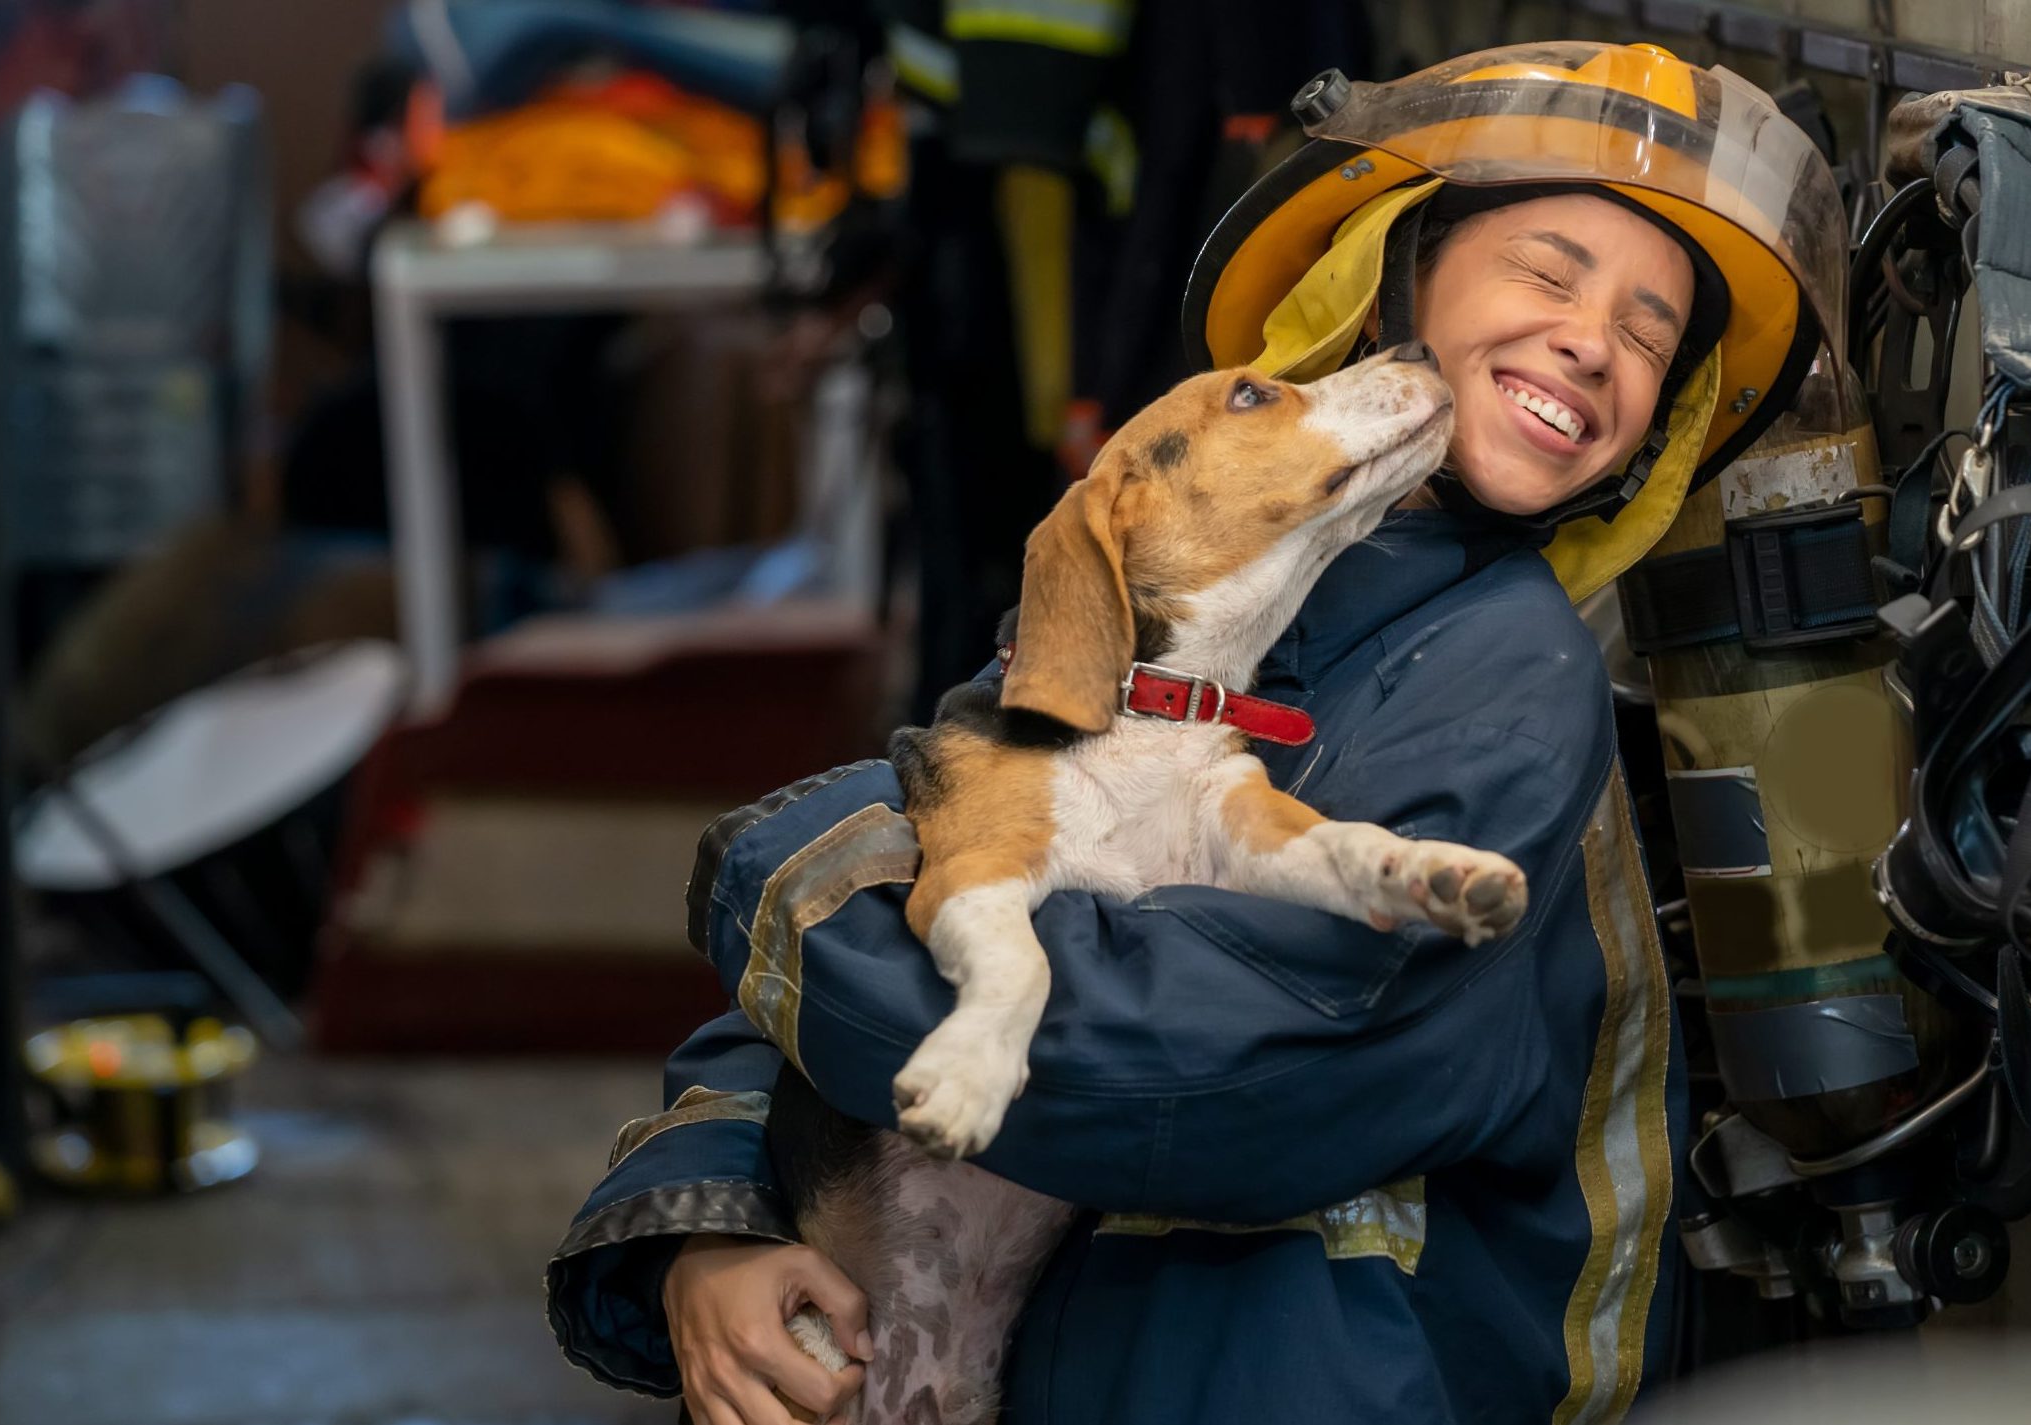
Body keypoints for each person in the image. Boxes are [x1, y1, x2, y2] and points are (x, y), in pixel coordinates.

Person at [547, 42, 1850, 1425]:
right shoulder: (1193, 576)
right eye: (1546, 269)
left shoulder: (1510, 674)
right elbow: (942, 863)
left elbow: (1212, 1071)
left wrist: (786, 892)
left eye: (1653, 336)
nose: (1595, 337)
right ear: (1392, 276)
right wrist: (720, 1220)